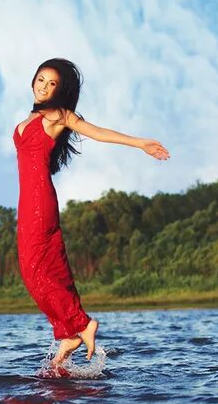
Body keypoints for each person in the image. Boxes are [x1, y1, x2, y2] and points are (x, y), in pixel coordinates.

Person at [13, 58, 170, 369]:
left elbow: (96, 132)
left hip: (39, 202)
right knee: (44, 268)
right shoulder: (33, 117)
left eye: (52, 83)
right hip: (27, 204)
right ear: (33, 80)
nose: (43, 86)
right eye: (41, 79)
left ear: (61, 90)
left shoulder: (58, 115)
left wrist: (140, 143)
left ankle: (81, 324)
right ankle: (69, 332)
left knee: (35, 272)